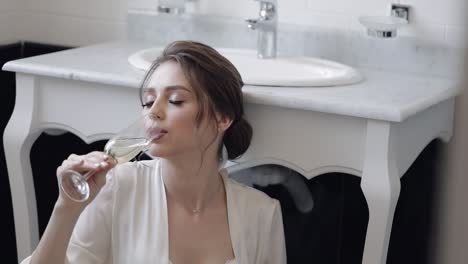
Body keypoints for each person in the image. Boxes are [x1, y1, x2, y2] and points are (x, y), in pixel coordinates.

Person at [21, 40, 286, 264]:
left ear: (222, 117)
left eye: (175, 100)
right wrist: (66, 209)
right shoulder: (118, 187)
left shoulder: (261, 213)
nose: (153, 112)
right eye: (148, 101)